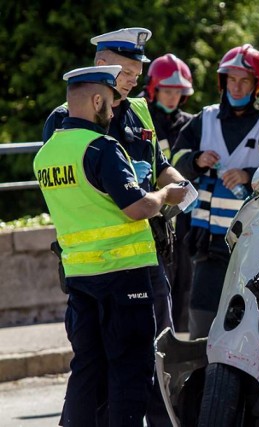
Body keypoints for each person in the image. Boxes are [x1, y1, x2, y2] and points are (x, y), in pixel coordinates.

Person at [42, 28, 190, 426]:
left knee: (158, 354)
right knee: (120, 364)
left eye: (136, 73)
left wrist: (179, 185)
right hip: (108, 261)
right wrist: (158, 200)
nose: (131, 80)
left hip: (144, 252)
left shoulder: (140, 112)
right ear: (100, 66)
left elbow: (158, 166)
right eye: (125, 71)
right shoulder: (68, 119)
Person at [172, 44, 259, 339]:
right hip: (210, 244)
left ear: (257, 85)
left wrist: (250, 175)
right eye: (231, 79)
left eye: (245, 81)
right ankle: (201, 376)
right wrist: (196, 161)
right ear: (222, 81)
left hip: (257, 245)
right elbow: (173, 163)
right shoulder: (205, 119)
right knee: (202, 318)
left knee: (251, 320)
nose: (236, 87)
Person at [143, 53, 195, 332]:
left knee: (183, 289)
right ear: (154, 88)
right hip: (152, 216)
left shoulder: (189, 123)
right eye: (167, 90)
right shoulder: (141, 119)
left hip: (183, 219)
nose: (173, 97)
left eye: (178, 91)